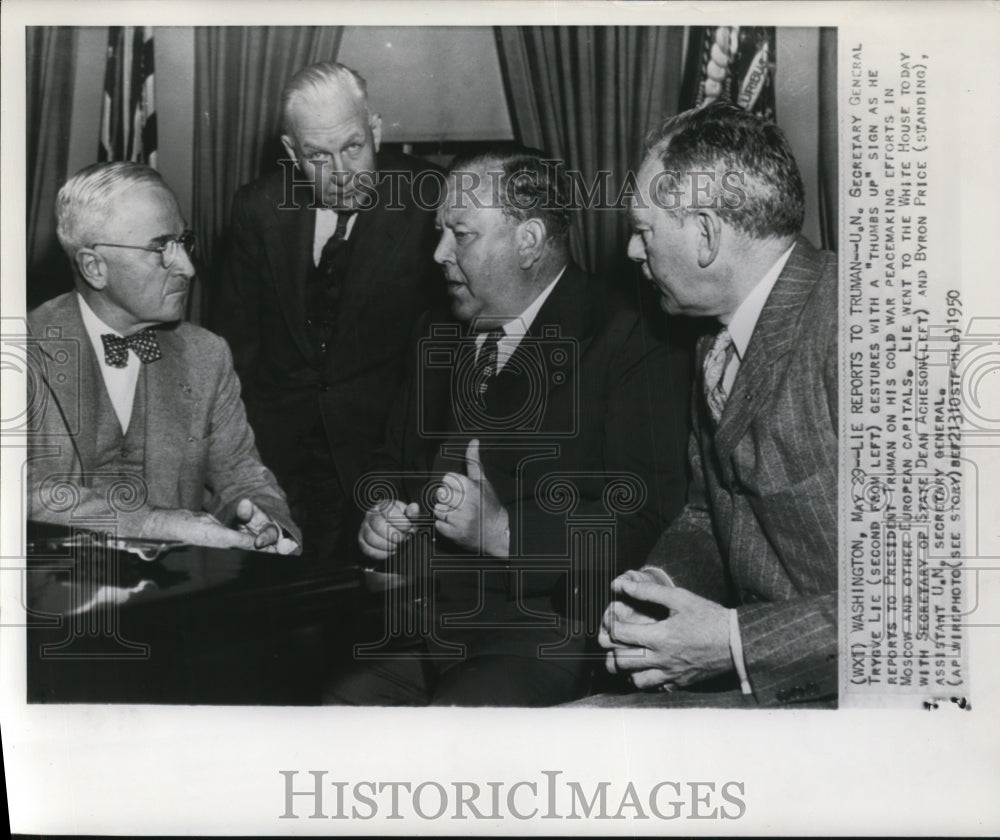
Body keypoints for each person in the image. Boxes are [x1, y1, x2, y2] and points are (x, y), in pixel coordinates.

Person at [324, 147, 690, 706]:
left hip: (554, 635)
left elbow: (647, 520)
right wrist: (378, 520)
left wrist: (503, 532)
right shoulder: (437, 330)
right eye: (439, 232)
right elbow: (389, 465)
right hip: (428, 626)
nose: (439, 254)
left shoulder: (631, 337)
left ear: (529, 242)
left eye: (461, 234)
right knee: (337, 712)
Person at [591, 102, 838, 708]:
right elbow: (709, 514)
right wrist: (659, 593)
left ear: (705, 235)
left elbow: (926, 604)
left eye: (644, 229)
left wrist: (731, 642)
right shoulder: (715, 339)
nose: (630, 251)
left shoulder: (857, 327)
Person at [210, 61, 441, 562]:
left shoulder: (432, 200)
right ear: (292, 153)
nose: (341, 174)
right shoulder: (256, 208)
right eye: (318, 156)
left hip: (382, 463)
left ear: (376, 131)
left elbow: (444, 358)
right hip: (276, 459)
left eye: (353, 147)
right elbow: (234, 347)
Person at [27, 162, 299, 553]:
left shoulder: (206, 356)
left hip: (174, 599)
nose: (187, 268)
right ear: (94, 267)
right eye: (160, 249)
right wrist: (156, 523)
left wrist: (268, 522)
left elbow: (243, 480)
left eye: (184, 242)